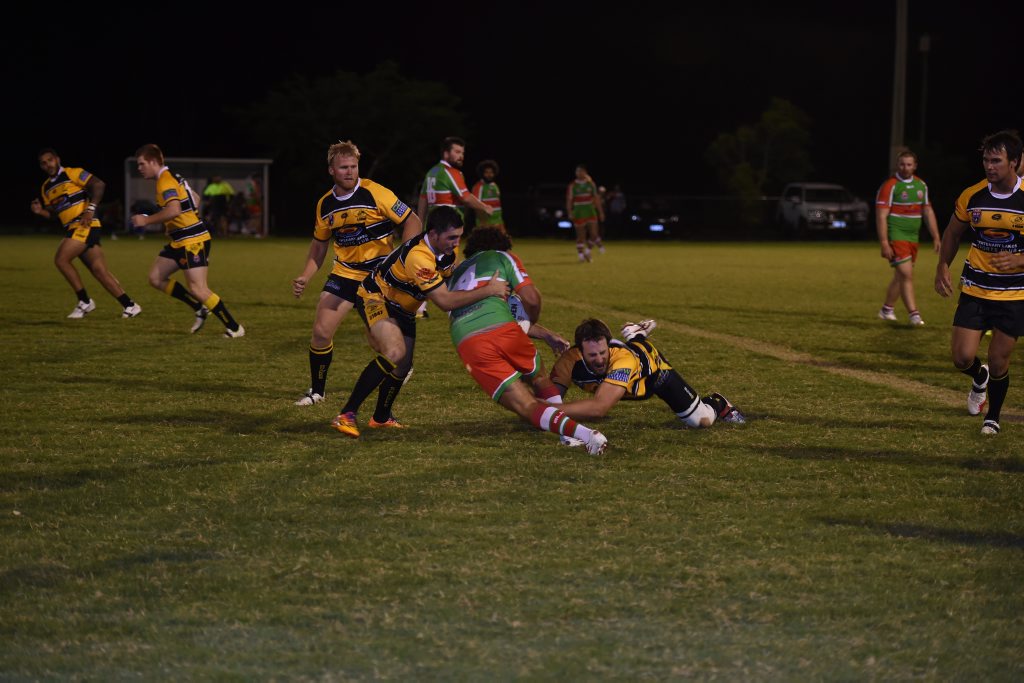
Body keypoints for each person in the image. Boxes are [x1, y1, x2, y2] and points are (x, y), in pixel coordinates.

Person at [330, 207, 509, 437]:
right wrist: (488, 291)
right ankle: (346, 414)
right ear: (433, 234)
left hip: (404, 308)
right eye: (451, 237)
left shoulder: (445, 254)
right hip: (376, 298)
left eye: (458, 237)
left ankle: (381, 418)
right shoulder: (419, 256)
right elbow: (444, 300)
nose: (456, 244)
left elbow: (450, 283)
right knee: (395, 352)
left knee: (403, 365)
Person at [445, 226, 608, 454]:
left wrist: (545, 334)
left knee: (526, 406)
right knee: (539, 376)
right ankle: (568, 435)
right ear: (502, 246)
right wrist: (527, 324)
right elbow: (531, 298)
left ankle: (582, 435)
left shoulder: (453, 276)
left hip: (470, 342)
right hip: (504, 330)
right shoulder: (502, 256)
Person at [291, 140, 422, 406]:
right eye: (343, 168)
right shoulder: (325, 205)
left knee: (379, 342)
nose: (350, 172)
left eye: (353, 167)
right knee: (321, 331)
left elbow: (412, 220)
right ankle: (317, 391)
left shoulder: (376, 192)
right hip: (345, 274)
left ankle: (402, 365)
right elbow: (319, 245)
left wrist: (403, 257)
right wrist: (306, 275)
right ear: (331, 170)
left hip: (378, 278)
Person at [934, 130, 1024, 436]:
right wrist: (943, 265)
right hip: (975, 288)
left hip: (1014, 294)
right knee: (961, 357)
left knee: (1000, 360)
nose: (989, 166)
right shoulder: (972, 195)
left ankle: (993, 418)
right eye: (986, 159)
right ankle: (978, 376)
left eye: (996, 160)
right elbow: (952, 233)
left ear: (1014, 162)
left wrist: (1020, 260)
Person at [130, 144, 244, 337]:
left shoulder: (165, 181)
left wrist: (146, 220)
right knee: (156, 278)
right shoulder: (175, 177)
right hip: (180, 239)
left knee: (198, 288)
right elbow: (196, 198)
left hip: (192, 240)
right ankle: (199, 308)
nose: (139, 168)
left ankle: (234, 328)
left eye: (142, 164)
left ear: (153, 162)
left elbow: (174, 210)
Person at [550, 318, 745, 432]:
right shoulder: (569, 361)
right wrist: (543, 407)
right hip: (630, 372)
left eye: (603, 352)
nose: (600, 360)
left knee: (701, 421)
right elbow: (550, 395)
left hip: (656, 375)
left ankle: (718, 402)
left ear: (609, 346)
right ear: (580, 352)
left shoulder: (623, 360)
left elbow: (598, 409)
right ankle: (635, 334)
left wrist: (539, 409)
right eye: (592, 355)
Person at [30, 148, 141, 319]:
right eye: (43, 163)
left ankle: (85, 301)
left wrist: (90, 209)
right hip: (73, 227)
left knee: (61, 259)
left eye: (50, 160)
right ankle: (130, 305)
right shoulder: (46, 187)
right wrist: (40, 212)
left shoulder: (73, 173)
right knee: (99, 270)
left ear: (57, 159)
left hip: (84, 224)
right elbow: (54, 213)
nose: (47, 165)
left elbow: (98, 184)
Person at [415, 137, 495, 318]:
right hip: (449, 228)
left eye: (463, 153)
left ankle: (419, 307)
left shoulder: (432, 172)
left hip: (434, 227)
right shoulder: (450, 172)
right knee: (452, 268)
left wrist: (421, 224)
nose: (461, 156)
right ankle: (457, 306)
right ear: (446, 153)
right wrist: (485, 207)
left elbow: (423, 199)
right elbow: (466, 197)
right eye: (457, 152)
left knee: (433, 265)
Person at [876, 149, 940, 325]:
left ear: (915, 166)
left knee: (901, 276)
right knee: (907, 274)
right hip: (896, 235)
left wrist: (936, 236)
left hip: (913, 237)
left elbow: (927, 211)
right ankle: (914, 314)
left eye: (909, 164)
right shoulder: (890, 186)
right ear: (898, 165)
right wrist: (884, 243)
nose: (905, 167)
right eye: (902, 164)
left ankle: (886, 310)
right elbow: (881, 215)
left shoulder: (921, 186)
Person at [566, 164, 605, 261]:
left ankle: (587, 252)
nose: (579, 173)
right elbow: (569, 200)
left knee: (594, 234)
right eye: (577, 171)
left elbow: (596, 199)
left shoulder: (591, 184)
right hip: (578, 212)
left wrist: (601, 212)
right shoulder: (572, 185)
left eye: (581, 171)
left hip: (590, 211)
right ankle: (581, 256)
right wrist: (570, 212)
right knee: (581, 235)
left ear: (585, 172)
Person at [471, 160, 504, 231]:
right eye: (487, 172)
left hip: (498, 221)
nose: (489, 175)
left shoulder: (495, 186)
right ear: (482, 173)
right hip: (486, 221)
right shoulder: (479, 186)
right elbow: (475, 205)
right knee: (485, 241)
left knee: (503, 241)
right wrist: (483, 222)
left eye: (491, 172)